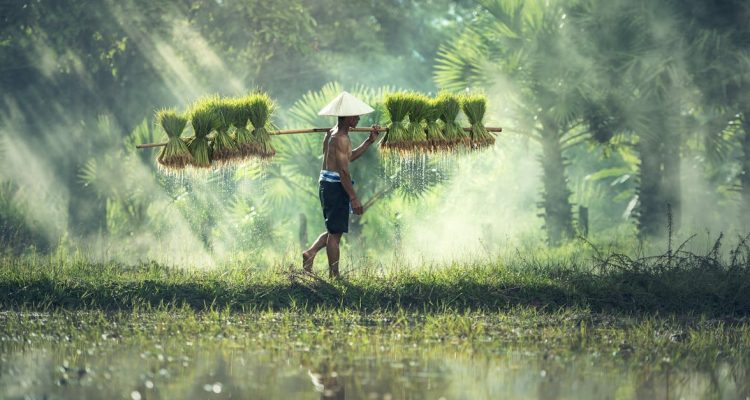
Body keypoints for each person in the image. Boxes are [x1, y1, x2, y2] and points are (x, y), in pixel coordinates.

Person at [302, 91, 380, 278]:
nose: (359, 118)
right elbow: (344, 171)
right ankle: (334, 275)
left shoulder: (331, 134)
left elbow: (348, 158)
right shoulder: (341, 139)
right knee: (335, 236)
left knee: (333, 229)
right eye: (355, 115)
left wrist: (369, 142)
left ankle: (310, 253)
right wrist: (354, 198)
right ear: (346, 118)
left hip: (327, 183)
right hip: (335, 186)